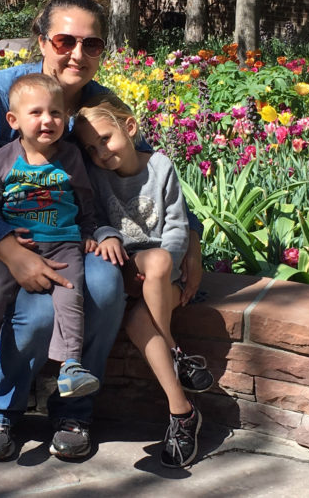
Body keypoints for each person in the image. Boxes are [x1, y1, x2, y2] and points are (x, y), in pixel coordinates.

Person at [0, 0, 205, 463]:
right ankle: (0, 406)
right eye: (65, 41)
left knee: (106, 287)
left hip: (72, 239)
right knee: (39, 311)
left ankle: (74, 409)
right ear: (42, 42)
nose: (78, 54)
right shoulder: (0, 93)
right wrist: (9, 250)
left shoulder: (96, 105)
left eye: (92, 44)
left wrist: (191, 238)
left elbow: (142, 169)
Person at [74, 92, 215, 468]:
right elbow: (97, 218)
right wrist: (108, 236)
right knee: (149, 262)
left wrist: (168, 261)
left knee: (140, 323)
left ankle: (181, 412)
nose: (101, 153)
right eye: (91, 148)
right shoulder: (98, 176)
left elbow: (177, 225)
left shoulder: (161, 167)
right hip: (125, 263)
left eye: (105, 139)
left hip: (159, 268)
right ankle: (177, 353)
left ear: (130, 127)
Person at [0, 73, 101, 415]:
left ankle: (70, 367)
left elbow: (85, 198)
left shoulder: (69, 158)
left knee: (70, 296)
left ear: (65, 118)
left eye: (55, 113)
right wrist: (2, 238)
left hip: (64, 243)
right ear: (14, 120)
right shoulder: (3, 159)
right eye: (35, 113)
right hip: (16, 247)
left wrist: (89, 232)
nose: (47, 120)